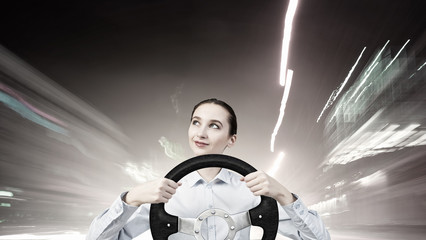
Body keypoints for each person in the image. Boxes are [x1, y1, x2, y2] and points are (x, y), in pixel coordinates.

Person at [86, 98, 330, 240]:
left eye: (214, 126)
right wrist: (131, 199)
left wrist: (285, 196)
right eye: (196, 123)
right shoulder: (165, 193)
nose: (200, 133)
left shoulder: (252, 191)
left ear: (231, 139)